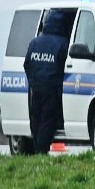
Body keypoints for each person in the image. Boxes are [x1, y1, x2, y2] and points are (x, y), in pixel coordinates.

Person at [23, 9, 70, 155]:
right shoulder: (63, 44)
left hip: (36, 89)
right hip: (52, 90)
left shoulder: (35, 42)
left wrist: (33, 81)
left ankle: (38, 148)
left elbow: (27, 64)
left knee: (36, 119)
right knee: (47, 121)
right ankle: (41, 151)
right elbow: (65, 68)